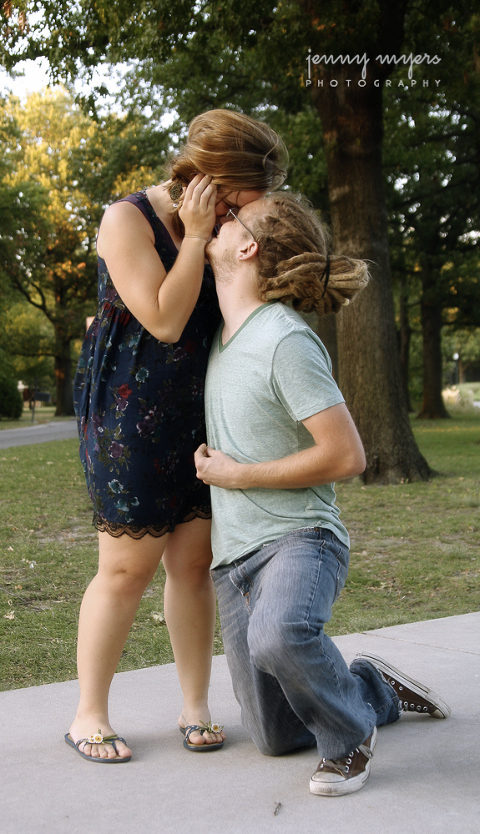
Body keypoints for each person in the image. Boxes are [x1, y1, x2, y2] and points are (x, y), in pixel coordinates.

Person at [194, 192, 451, 795]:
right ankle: (374, 689)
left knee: (279, 636)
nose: (217, 220)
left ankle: (350, 741)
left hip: (299, 538)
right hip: (232, 560)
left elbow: (347, 455)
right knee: (274, 735)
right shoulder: (218, 332)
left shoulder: (285, 339)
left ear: (248, 247)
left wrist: (238, 475)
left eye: (230, 218)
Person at [67, 110, 288, 762]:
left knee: (193, 563)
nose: (251, 211)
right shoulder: (125, 219)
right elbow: (163, 318)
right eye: (247, 196)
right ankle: (88, 714)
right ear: (215, 179)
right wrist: (193, 237)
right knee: (126, 567)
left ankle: (195, 706)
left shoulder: (229, 223)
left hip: (201, 405)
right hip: (128, 414)